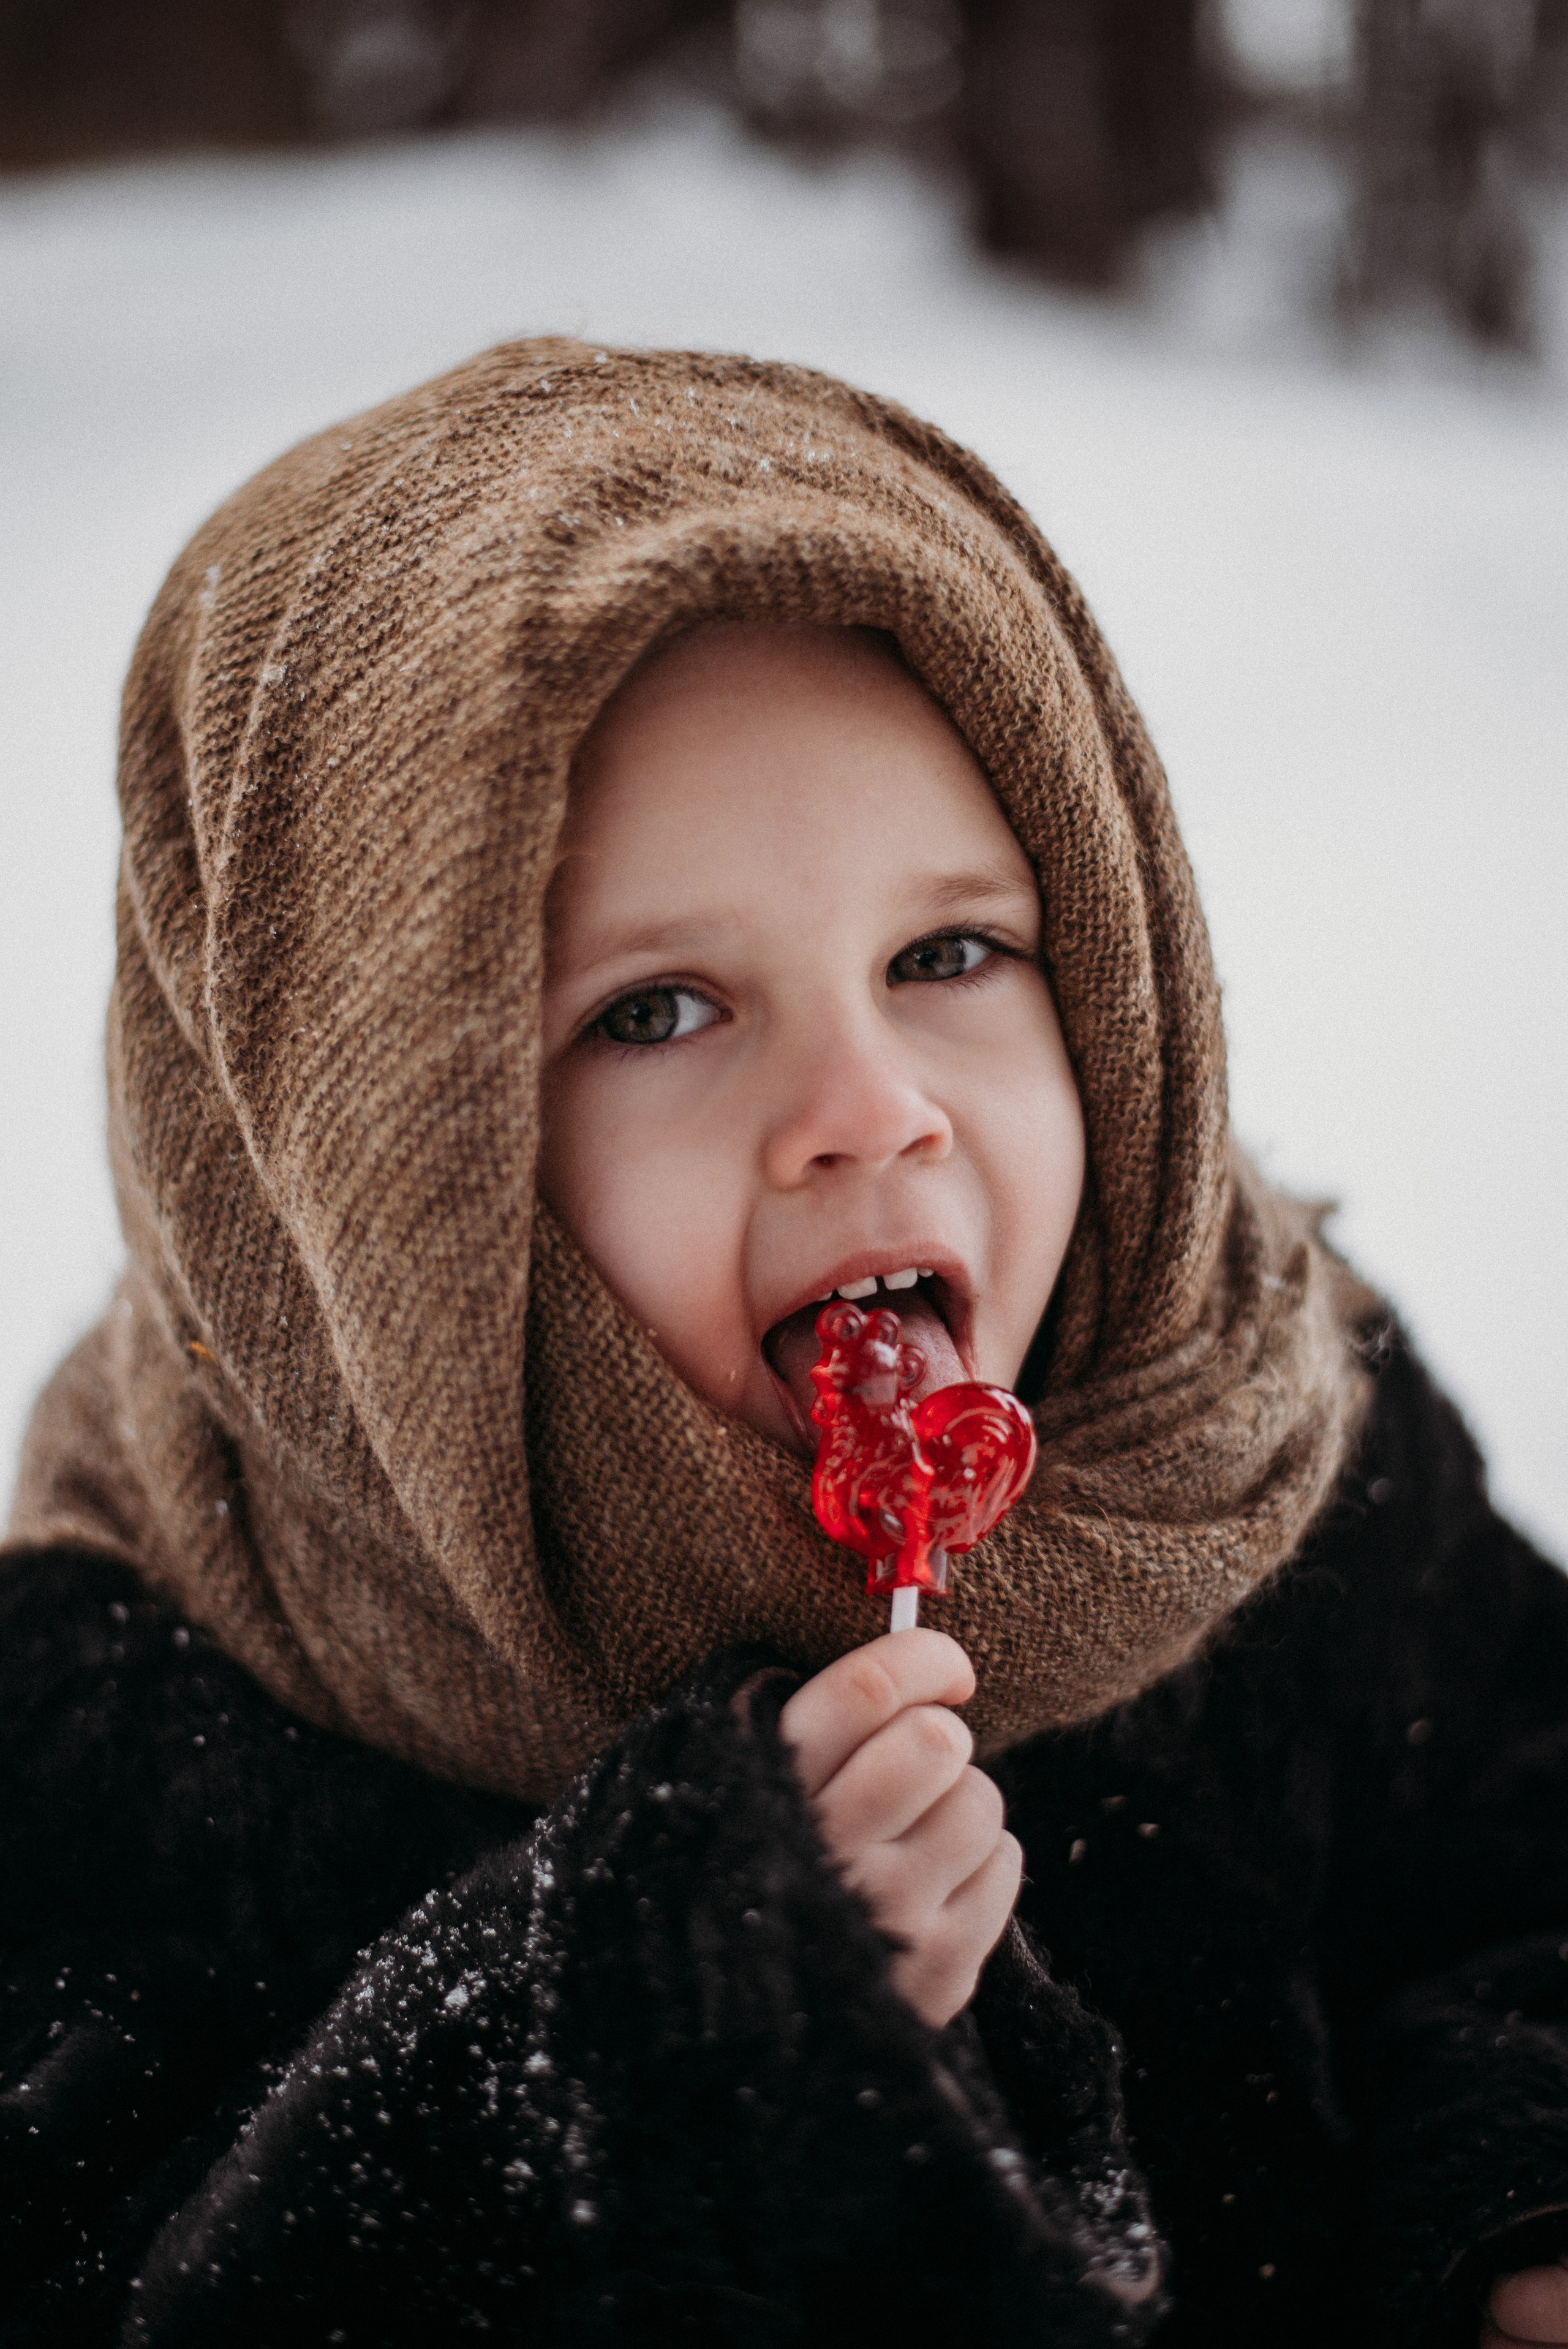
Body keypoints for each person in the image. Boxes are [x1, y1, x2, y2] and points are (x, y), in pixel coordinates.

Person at [2, 339, 1565, 2348]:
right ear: (357, 1163)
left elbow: (1515, 1862)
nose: (873, 1103)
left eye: (947, 955)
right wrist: (655, 2038)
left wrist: (1513, 2183)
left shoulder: (1276, 1437)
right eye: (659, 1010)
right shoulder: (151, 1710)